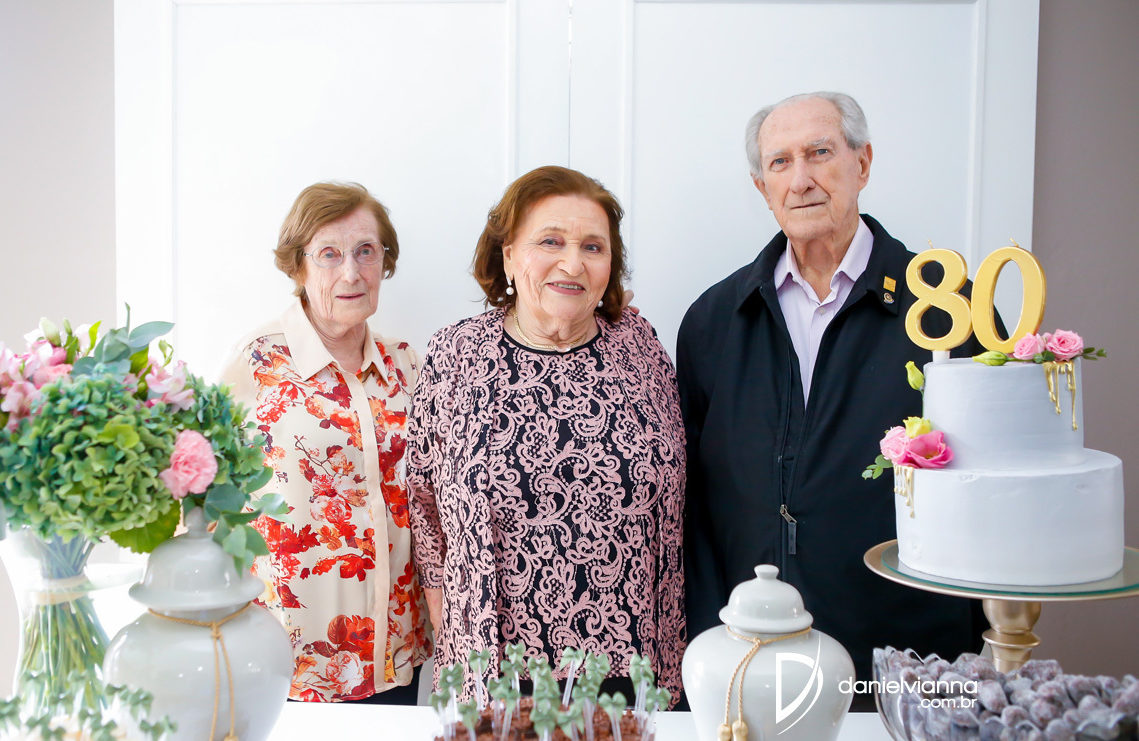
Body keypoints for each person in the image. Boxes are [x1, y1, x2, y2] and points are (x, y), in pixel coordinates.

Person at [677, 92, 985, 709]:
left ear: (862, 163)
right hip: (751, 658)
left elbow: (988, 489)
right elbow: (696, 503)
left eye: (819, 153)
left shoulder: (949, 311)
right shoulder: (713, 320)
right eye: (780, 162)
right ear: (762, 187)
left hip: (908, 662)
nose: (801, 179)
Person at [407, 166, 687, 700]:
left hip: (630, 666)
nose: (573, 263)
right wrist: (446, 611)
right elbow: (422, 495)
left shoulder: (639, 345)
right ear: (509, 254)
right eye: (551, 241)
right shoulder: (456, 353)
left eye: (592, 247)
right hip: (495, 671)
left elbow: (674, 501)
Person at [219, 182, 431, 703]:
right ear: (299, 266)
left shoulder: (407, 364)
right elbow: (204, 495)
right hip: (289, 658)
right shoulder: (257, 362)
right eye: (329, 254)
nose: (351, 273)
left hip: (394, 652)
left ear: (385, 261)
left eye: (366, 251)